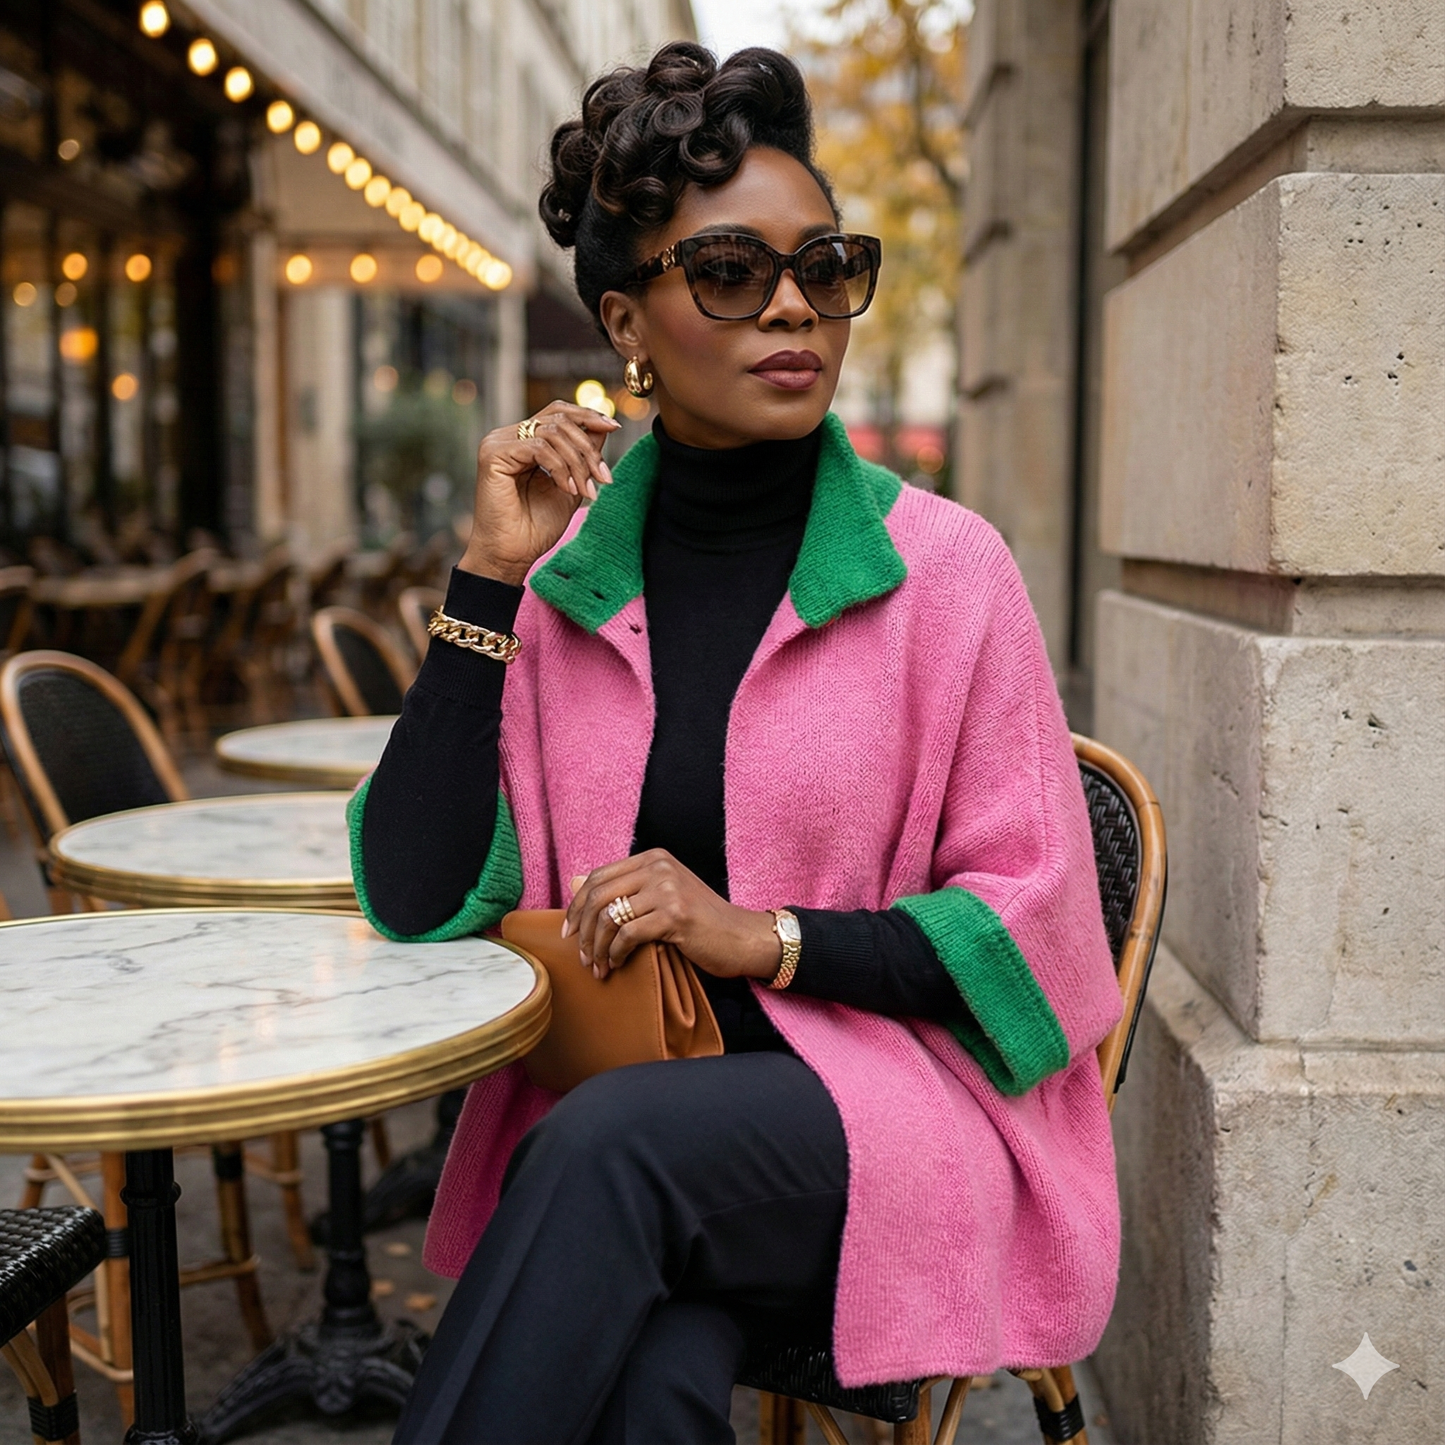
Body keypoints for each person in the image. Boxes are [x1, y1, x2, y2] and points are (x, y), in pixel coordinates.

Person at [356, 40, 1125, 1445]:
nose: (792, 305)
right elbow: (416, 894)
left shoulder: (947, 573)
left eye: (825, 268)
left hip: (902, 1120)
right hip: (656, 1132)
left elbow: (1041, 936)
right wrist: (488, 580)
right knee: (648, 1379)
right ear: (625, 324)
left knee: (606, 1154)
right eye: (728, 270)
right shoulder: (570, 580)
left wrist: (760, 938)